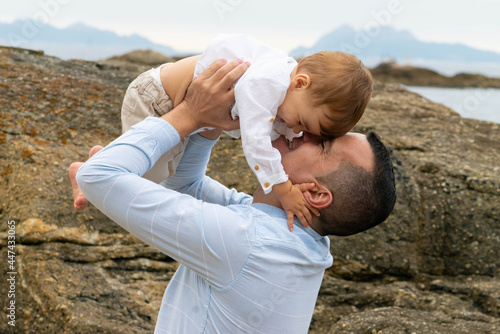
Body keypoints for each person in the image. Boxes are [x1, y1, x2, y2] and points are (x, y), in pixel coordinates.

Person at [74, 58, 396, 333]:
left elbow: (97, 176)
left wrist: (188, 115)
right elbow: (188, 189)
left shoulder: (249, 244)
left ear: (315, 193)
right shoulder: (298, 240)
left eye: (322, 143)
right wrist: (209, 124)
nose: (304, 133)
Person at [72, 34, 373, 230]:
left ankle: (108, 157)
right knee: (150, 177)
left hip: (187, 110)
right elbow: (256, 141)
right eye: (302, 124)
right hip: (158, 99)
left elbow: (281, 127)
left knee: (163, 174)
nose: (295, 131)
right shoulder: (265, 85)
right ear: (300, 83)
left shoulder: (291, 96)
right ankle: (91, 168)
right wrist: (282, 188)